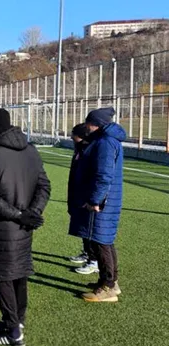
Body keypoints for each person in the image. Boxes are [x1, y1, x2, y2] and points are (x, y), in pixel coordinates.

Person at [0, 109, 51, 346]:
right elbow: (44, 187)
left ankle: (13, 330)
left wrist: (20, 214)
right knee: (19, 273)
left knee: (3, 277)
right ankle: (19, 320)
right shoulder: (30, 149)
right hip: (24, 226)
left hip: (0, 227)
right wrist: (31, 213)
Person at [69, 108, 126, 303]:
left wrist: (95, 200)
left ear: (97, 124)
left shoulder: (105, 143)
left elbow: (104, 176)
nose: (86, 126)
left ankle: (108, 286)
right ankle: (109, 282)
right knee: (104, 241)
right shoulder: (105, 141)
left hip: (102, 203)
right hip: (104, 201)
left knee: (101, 242)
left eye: (89, 123)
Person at [67, 124, 98, 275]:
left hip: (87, 196)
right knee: (82, 227)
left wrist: (92, 198)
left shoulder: (89, 150)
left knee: (90, 228)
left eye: (73, 134)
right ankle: (87, 254)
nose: (71, 137)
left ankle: (94, 261)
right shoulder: (79, 150)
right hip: (78, 194)